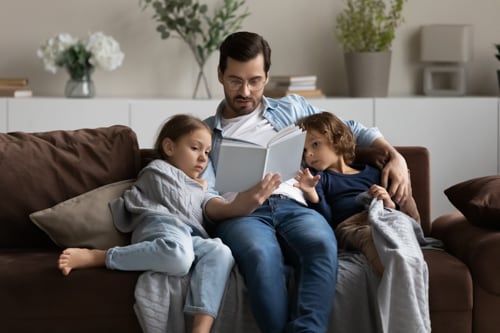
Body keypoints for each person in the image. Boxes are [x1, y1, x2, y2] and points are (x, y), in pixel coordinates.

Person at [201, 31, 411, 332]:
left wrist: (396, 157)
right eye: (235, 80)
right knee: (261, 256)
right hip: (244, 214)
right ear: (220, 74)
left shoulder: (293, 109)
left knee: (321, 245)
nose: (245, 91)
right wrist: (236, 205)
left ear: (266, 77)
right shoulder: (206, 133)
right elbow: (205, 198)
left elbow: (349, 129)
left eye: (255, 81)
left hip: (295, 205)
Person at [58, 114, 280, 333]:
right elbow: (179, 203)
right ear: (169, 147)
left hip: (188, 235)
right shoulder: (157, 170)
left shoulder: (197, 185)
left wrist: (238, 204)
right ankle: (101, 256)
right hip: (161, 226)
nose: (203, 158)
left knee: (220, 251)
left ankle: (201, 328)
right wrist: (198, 189)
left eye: (207, 152)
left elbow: (206, 209)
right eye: (195, 148)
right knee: (179, 257)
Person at [294, 112, 420, 273]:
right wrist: (312, 194)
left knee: (400, 226)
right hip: (351, 226)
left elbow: (397, 211)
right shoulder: (320, 179)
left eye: (315, 144)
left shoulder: (373, 172)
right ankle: (396, 275)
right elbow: (327, 221)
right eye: (304, 150)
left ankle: (406, 266)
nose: (309, 154)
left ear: (337, 139)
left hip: (381, 218)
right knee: (369, 235)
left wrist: (388, 202)